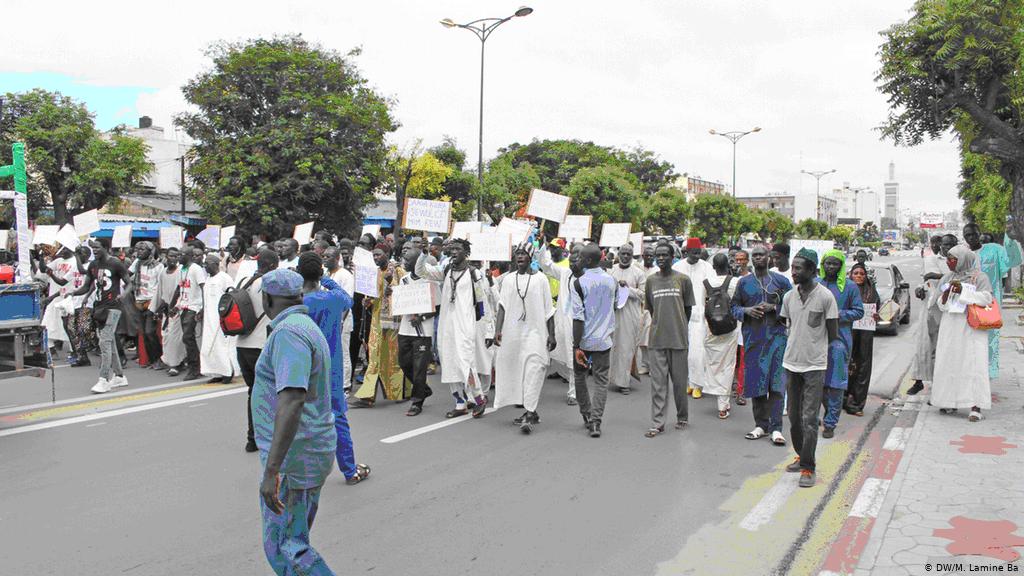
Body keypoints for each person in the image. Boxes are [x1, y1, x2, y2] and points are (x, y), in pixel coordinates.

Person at [253, 269, 337, 576]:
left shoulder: (289, 333)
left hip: (296, 457)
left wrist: (272, 470)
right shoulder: (302, 325)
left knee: (287, 547)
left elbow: (292, 401)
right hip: (307, 450)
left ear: (268, 299)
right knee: (293, 540)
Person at [298, 251, 370, 485]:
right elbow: (348, 299)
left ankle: (301, 470)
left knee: (300, 417)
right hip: (330, 367)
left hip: (301, 367)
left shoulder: (295, 301)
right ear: (320, 272)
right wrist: (327, 279)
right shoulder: (331, 299)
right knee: (337, 417)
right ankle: (349, 470)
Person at [416, 237, 494, 418]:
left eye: (458, 249)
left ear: (466, 253)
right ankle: (460, 402)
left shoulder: (475, 274)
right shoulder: (446, 269)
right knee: (449, 361)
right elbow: (421, 271)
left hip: (465, 325)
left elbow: (484, 303)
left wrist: (488, 329)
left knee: (465, 361)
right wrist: (424, 254)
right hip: (447, 324)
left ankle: (478, 398)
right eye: (451, 249)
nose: (453, 251)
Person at [780, 248, 839, 488]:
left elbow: (833, 333)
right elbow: (789, 326)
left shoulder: (826, 297)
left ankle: (808, 467)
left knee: (810, 419)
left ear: (812, 271)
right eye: (792, 267)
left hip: (815, 365)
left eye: (798, 268)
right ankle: (801, 455)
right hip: (791, 363)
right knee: (794, 418)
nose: (793, 272)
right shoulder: (788, 297)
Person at [731, 246, 792, 445]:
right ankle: (761, 425)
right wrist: (747, 311)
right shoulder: (744, 282)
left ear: (769, 258)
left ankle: (776, 428)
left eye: (762, 255)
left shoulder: (781, 281)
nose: (758, 258)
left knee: (776, 385)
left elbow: (794, 306)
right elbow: (733, 308)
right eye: (755, 255)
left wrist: (774, 308)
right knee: (757, 384)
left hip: (777, 340)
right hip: (754, 340)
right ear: (751, 259)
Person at [494, 243, 556, 433]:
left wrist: (551, 334)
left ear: (530, 257)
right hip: (513, 333)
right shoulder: (509, 280)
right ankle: (531, 410)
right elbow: (502, 306)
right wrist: (497, 330)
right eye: (517, 254)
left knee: (534, 368)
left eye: (523, 254)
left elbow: (548, 310)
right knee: (518, 371)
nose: (520, 257)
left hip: (536, 333)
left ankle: (529, 413)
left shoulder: (541, 280)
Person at [931, 245, 994, 422]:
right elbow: (940, 304)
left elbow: (987, 298)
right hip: (950, 326)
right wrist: (944, 296)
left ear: (963, 260)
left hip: (971, 328)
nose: (949, 263)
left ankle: (975, 406)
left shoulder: (979, 277)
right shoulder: (947, 277)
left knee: (972, 365)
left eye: (953, 259)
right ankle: (949, 400)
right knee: (949, 363)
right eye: (948, 259)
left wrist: (963, 291)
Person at [644, 241, 695, 437]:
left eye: (665, 255)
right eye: (659, 255)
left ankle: (682, 416)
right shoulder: (651, 281)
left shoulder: (683, 280)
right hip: (657, 339)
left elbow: (688, 309)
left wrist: (678, 325)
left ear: (673, 257)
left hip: (679, 339)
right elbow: (650, 308)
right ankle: (658, 422)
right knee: (658, 384)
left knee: (680, 383)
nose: (662, 258)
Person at [351, 245, 409, 407]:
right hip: (377, 321)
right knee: (374, 355)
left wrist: (393, 284)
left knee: (393, 357)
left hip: (394, 321)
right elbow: (375, 295)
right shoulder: (374, 272)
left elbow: (407, 292)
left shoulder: (398, 270)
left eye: (378, 255)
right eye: (374, 255)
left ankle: (399, 392)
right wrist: (368, 301)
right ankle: (367, 396)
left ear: (387, 254)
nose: (375, 258)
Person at [570, 243, 617, 437]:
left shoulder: (579, 283)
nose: (577, 260)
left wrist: (576, 345)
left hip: (585, 340)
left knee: (580, 377)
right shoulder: (611, 280)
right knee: (601, 381)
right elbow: (613, 305)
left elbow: (578, 317)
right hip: (604, 340)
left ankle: (587, 415)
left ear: (588, 260)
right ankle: (596, 421)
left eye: (581, 257)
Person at [72, 238, 129, 394]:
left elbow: (129, 283)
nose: (94, 250)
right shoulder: (93, 265)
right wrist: (73, 293)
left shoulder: (116, 263)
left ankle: (103, 379)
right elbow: (86, 286)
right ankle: (119, 376)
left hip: (114, 308)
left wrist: (123, 296)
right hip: (99, 308)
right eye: (93, 248)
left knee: (104, 341)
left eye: (97, 248)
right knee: (108, 342)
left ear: (106, 247)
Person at [817, 250, 863, 438]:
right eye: (828, 263)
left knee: (835, 383)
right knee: (816, 382)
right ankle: (827, 412)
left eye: (835, 264)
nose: (830, 267)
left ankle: (830, 423)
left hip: (839, 341)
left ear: (841, 266)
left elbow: (858, 312)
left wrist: (838, 315)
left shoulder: (850, 287)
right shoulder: (816, 284)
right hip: (816, 341)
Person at [236, 247, 277, 452]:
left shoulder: (244, 281)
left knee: (253, 392)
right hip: (260, 345)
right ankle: (267, 436)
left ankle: (252, 439)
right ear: (271, 266)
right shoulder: (268, 283)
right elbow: (271, 311)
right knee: (269, 392)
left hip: (241, 345)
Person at [538, 239, 583, 406]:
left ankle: (574, 392)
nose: (572, 259)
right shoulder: (565, 273)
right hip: (563, 323)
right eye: (572, 255)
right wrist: (542, 245)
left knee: (575, 360)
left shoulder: (591, 278)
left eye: (577, 256)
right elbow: (546, 264)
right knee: (560, 356)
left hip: (581, 326)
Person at [394, 241, 435, 417]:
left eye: (408, 260)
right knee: (404, 363)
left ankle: (417, 401)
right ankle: (423, 389)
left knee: (419, 367)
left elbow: (437, 307)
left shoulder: (429, 281)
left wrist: (422, 317)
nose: (405, 262)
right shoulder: (403, 280)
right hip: (405, 329)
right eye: (404, 259)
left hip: (423, 331)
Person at [965, 223, 1009, 380]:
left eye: (973, 234)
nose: (971, 238)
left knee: (991, 336)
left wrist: (997, 296)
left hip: (991, 302)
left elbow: (1003, 275)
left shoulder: (995, 250)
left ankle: (990, 372)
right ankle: (972, 370)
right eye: (967, 235)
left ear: (979, 234)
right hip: (970, 301)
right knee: (971, 336)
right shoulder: (964, 255)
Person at [673, 237, 714, 398]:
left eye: (699, 253)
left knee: (698, 351)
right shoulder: (677, 267)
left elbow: (712, 290)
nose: (697, 256)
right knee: (683, 350)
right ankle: (688, 383)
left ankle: (698, 385)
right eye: (694, 252)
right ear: (686, 252)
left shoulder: (707, 267)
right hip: (680, 313)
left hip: (699, 314)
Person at [702, 253, 739, 419]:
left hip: (711, 329)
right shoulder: (735, 282)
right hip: (730, 328)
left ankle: (717, 395)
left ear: (714, 267)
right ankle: (723, 404)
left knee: (713, 364)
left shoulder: (705, 283)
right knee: (728, 365)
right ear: (728, 265)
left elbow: (703, 306)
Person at [908, 235, 945, 395]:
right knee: (923, 344)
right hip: (927, 306)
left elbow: (957, 280)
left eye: (941, 243)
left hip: (945, 308)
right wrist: (919, 288)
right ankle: (918, 380)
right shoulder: (928, 259)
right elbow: (924, 280)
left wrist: (936, 276)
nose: (937, 245)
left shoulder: (953, 260)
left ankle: (940, 383)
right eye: (934, 243)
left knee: (941, 346)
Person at [609, 242, 647, 395]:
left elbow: (644, 294)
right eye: (623, 253)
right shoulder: (611, 271)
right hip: (613, 313)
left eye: (628, 254)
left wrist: (628, 288)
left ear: (632, 256)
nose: (625, 257)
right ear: (618, 254)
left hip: (630, 315)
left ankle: (624, 382)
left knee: (626, 347)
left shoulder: (638, 273)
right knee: (613, 346)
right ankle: (612, 378)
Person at [845, 262, 879, 416]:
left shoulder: (872, 292)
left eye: (862, 274)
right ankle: (842, 400)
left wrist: (877, 316)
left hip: (865, 335)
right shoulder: (845, 289)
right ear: (851, 275)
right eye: (856, 273)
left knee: (863, 366)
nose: (858, 276)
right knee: (846, 365)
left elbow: (879, 311)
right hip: (848, 332)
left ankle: (857, 403)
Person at [200, 254, 237, 383]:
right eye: (204, 264)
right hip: (209, 318)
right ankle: (216, 372)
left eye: (207, 263)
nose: (205, 266)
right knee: (209, 346)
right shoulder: (208, 279)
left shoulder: (224, 278)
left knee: (221, 345)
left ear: (215, 264)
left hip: (221, 318)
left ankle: (227, 372)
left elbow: (231, 296)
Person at [324, 246, 355, 391]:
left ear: (337, 259)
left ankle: (345, 385)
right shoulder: (325, 275)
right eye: (324, 256)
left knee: (342, 352)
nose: (325, 258)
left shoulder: (345, 275)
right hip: (327, 320)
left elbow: (347, 301)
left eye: (328, 256)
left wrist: (341, 320)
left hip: (342, 320)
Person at [130, 241, 165, 369]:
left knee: (150, 332)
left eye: (142, 249)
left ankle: (158, 358)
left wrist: (158, 305)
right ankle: (151, 359)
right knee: (144, 333)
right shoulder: (137, 263)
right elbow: (127, 275)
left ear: (150, 251)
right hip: (139, 300)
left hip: (152, 301)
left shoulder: (158, 266)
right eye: (138, 249)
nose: (139, 251)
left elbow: (160, 286)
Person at [177, 244, 206, 380]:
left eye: (180, 254)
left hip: (194, 307)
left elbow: (203, 288)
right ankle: (195, 366)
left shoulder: (196, 269)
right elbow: (180, 289)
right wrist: (173, 306)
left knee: (188, 337)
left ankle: (195, 368)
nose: (178, 257)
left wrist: (203, 308)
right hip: (183, 306)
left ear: (187, 255)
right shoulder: (181, 269)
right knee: (188, 338)